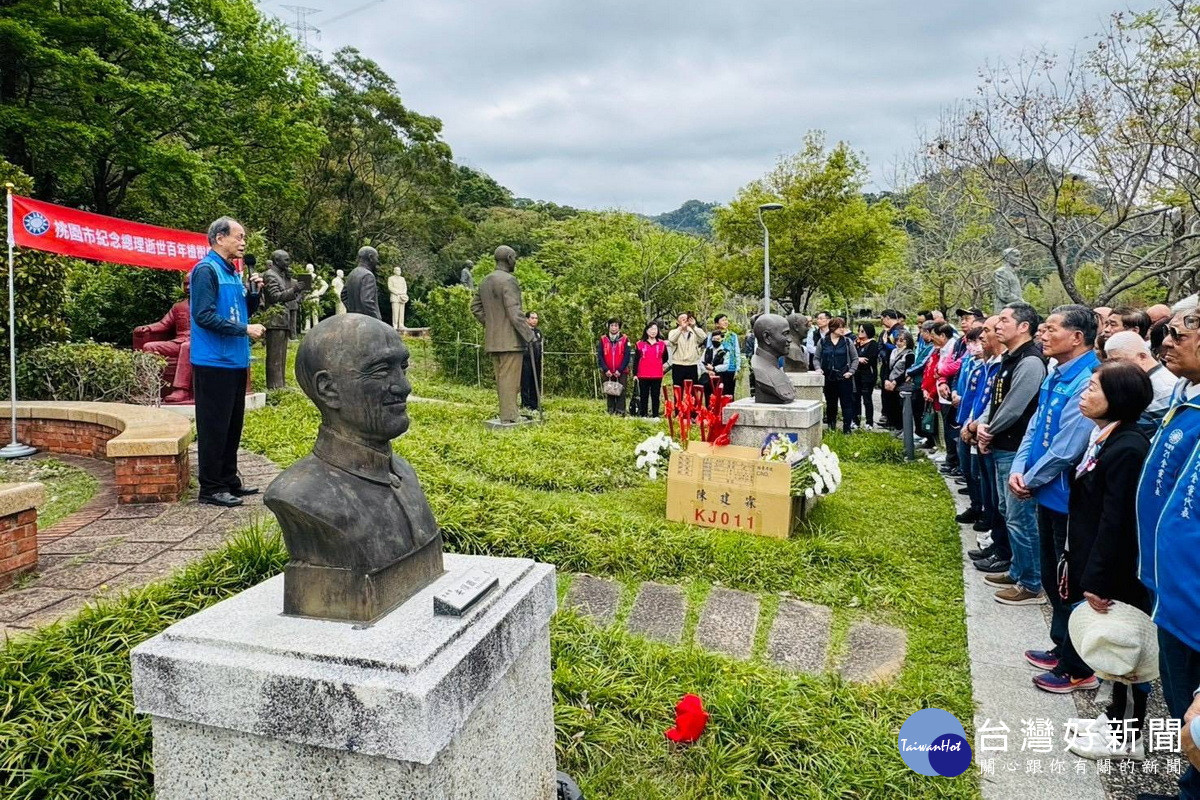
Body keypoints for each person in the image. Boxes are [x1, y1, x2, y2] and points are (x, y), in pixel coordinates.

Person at [1060, 361, 1154, 760]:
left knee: (1125, 649)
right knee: (1113, 651)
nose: (1084, 394)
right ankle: (1115, 715)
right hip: (1095, 557)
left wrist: (1097, 579)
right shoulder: (1106, 437)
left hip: (1117, 571)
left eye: (1094, 388)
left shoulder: (1129, 447)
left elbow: (1117, 522)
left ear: (1118, 397)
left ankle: (1127, 735)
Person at [1009, 305, 1102, 693]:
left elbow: (1068, 447)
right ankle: (1060, 645)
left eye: (1050, 329)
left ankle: (1079, 667)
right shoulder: (1055, 372)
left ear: (1077, 337)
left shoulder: (1089, 377)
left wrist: (1030, 478)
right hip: (1043, 490)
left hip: (1067, 496)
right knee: (1052, 574)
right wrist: (1020, 467)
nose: (1042, 336)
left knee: (1068, 581)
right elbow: (1035, 426)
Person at [1137, 302, 1200, 800]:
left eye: (1178, 332)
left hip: (1195, 602)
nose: (1166, 341)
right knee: (1185, 713)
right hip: (1176, 595)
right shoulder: (1187, 398)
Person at [972, 302, 1047, 606]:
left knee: (1020, 518)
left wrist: (988, 430)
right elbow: (996, 401)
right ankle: (1018, 570)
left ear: (1024, 327)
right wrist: (987, 427)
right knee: (1007, 512)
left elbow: (1015, 407)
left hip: (1015, 448)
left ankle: (1031, 583)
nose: (998, 326)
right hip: (1002, 444)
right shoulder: (1010, 359)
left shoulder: (1030, 361)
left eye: (1004, 320)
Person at [189, 217, 264, 507]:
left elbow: (240, 312)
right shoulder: (206, 271)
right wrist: (245, 330)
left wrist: (254, 295)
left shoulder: (232, 273)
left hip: (234, 360)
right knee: (214, 427)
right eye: (239, 236)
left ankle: (229, 481)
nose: (243, 242)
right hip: (213, 362)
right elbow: (204, 316)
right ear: (220, 238)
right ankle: (210, 489)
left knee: (232, 426)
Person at [963, 316, 1011, 573]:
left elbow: (1002, 406)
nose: (981, 338)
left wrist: (981, 427)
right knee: (992, 493)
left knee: (999, 498)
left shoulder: (1018, 364)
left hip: (996, 438)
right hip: (981, 430)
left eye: (988, 332)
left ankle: (1005, 553)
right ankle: (996, 542)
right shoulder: (992, 364)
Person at [1104, 330, 1179, 434]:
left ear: (1142, 357)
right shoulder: (1138, 380)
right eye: (1110, 362)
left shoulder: (1164, 388)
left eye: (1118, 361)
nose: (1113, 367)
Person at [817, 317, 859, 433]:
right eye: (840, 327)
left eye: (843, 327)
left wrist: (851, 371)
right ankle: (831, 427)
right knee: (831, 404)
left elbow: (855, 358)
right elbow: (816, 358)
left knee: (847, 404)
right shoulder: (823, 342)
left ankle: (847, 429)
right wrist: (818, 369)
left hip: (844, 377)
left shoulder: (847, 342)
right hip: (829, 377)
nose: (842, 330)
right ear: (832, 328)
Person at [877, 310, 905, 429]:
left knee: (893, 395)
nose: (882, 321)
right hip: (887, 364)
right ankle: (889, 419)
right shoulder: (886, 331)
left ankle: (895, 423)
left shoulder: (898, 331)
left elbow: (900, 348)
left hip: (894, 366)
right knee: (886, 394)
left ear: (887, 318)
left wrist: (886, 344)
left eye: (883, 318)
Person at [634, 322, 668, 418]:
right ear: (646, 330)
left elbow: (665, 357)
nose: (653, 331)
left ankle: (655, 415)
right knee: (644, 395)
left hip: (657, 374)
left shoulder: (662, 344)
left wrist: (658, 363)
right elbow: (636, 360)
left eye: (655, 329)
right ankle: (643, 414)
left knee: (655, 396)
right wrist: (635, 374)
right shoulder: (639, 344)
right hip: (643, 374)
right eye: (651, 329)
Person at [597, 318, 630, 415]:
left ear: (619, 327)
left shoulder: (624, 339)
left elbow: (627, 356)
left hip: (621, 371)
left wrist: (620, 370)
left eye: (616, 325)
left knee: (621, 391)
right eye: (611, 325)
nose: (614, 328)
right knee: (610, 390)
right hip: (608, 371)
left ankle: (621, 411)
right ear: (608, 326)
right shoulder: (603, 339)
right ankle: (610, 410)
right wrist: (605, 369)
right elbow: (600, 355)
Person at [667, 312, 705, 387]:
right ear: (678, 322)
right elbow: (672, 339)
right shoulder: (674, 332)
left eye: (686, 318)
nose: (684, 320)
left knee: (692, 391)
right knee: (678, 390)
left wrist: (694, 327)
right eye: (682, 319)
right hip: (678, 364)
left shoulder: (694, 331)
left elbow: (703, 337)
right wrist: (681, 329)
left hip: (692, 364)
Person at [342, 246, 381, 319]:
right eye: (376, 258)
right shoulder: (368, 275)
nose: (377, 261)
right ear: (370, 257)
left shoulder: (352, 273)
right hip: (367, 321)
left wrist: (352, 310)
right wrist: (376, 319)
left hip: (353, 319)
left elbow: (343, 295)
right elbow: (367, 301)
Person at [854, 323, 879, 430]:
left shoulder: (873, 344)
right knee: (855, 398)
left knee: (867, 398)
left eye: (862, 331)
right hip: (857, 374)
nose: (860, 333)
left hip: (868, 375)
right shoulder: (857, 344)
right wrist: (858, 359)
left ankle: (869, 422)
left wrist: (858, 359)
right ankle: (856, 420)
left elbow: (868, 360)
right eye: (859, 331)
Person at [709, 314, 741, 398]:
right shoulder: (712, 336)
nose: (725, 322)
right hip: (716, 368)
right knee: (717, 393)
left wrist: (738, 368)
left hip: (730, 368)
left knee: (729, 393)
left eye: (726, 320)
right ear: (717, 324)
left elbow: (737, 352)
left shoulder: (733, 336)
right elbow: (709, 352)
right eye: (723, 320)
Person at [520, 311, 543, 412]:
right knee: (526, 382)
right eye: (532, 318)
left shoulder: (538, 332)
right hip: (526, 360)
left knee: (536, 382)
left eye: (536, 318)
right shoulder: (523, 331)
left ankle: (535, 404)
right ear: (527, 319)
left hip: (537, 360)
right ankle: (526, 404)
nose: (534, 320)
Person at [700, 330, 728, 404]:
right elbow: (701, 363)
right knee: (708, 398)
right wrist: (708, 371)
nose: (715, 341)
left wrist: (714, 369)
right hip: (708, 378)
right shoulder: (707, 350)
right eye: (714, 339)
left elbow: (726, 366)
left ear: (722, 339)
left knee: (718, 399)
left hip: (719, 378)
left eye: (718, 339)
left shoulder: (725, 351)